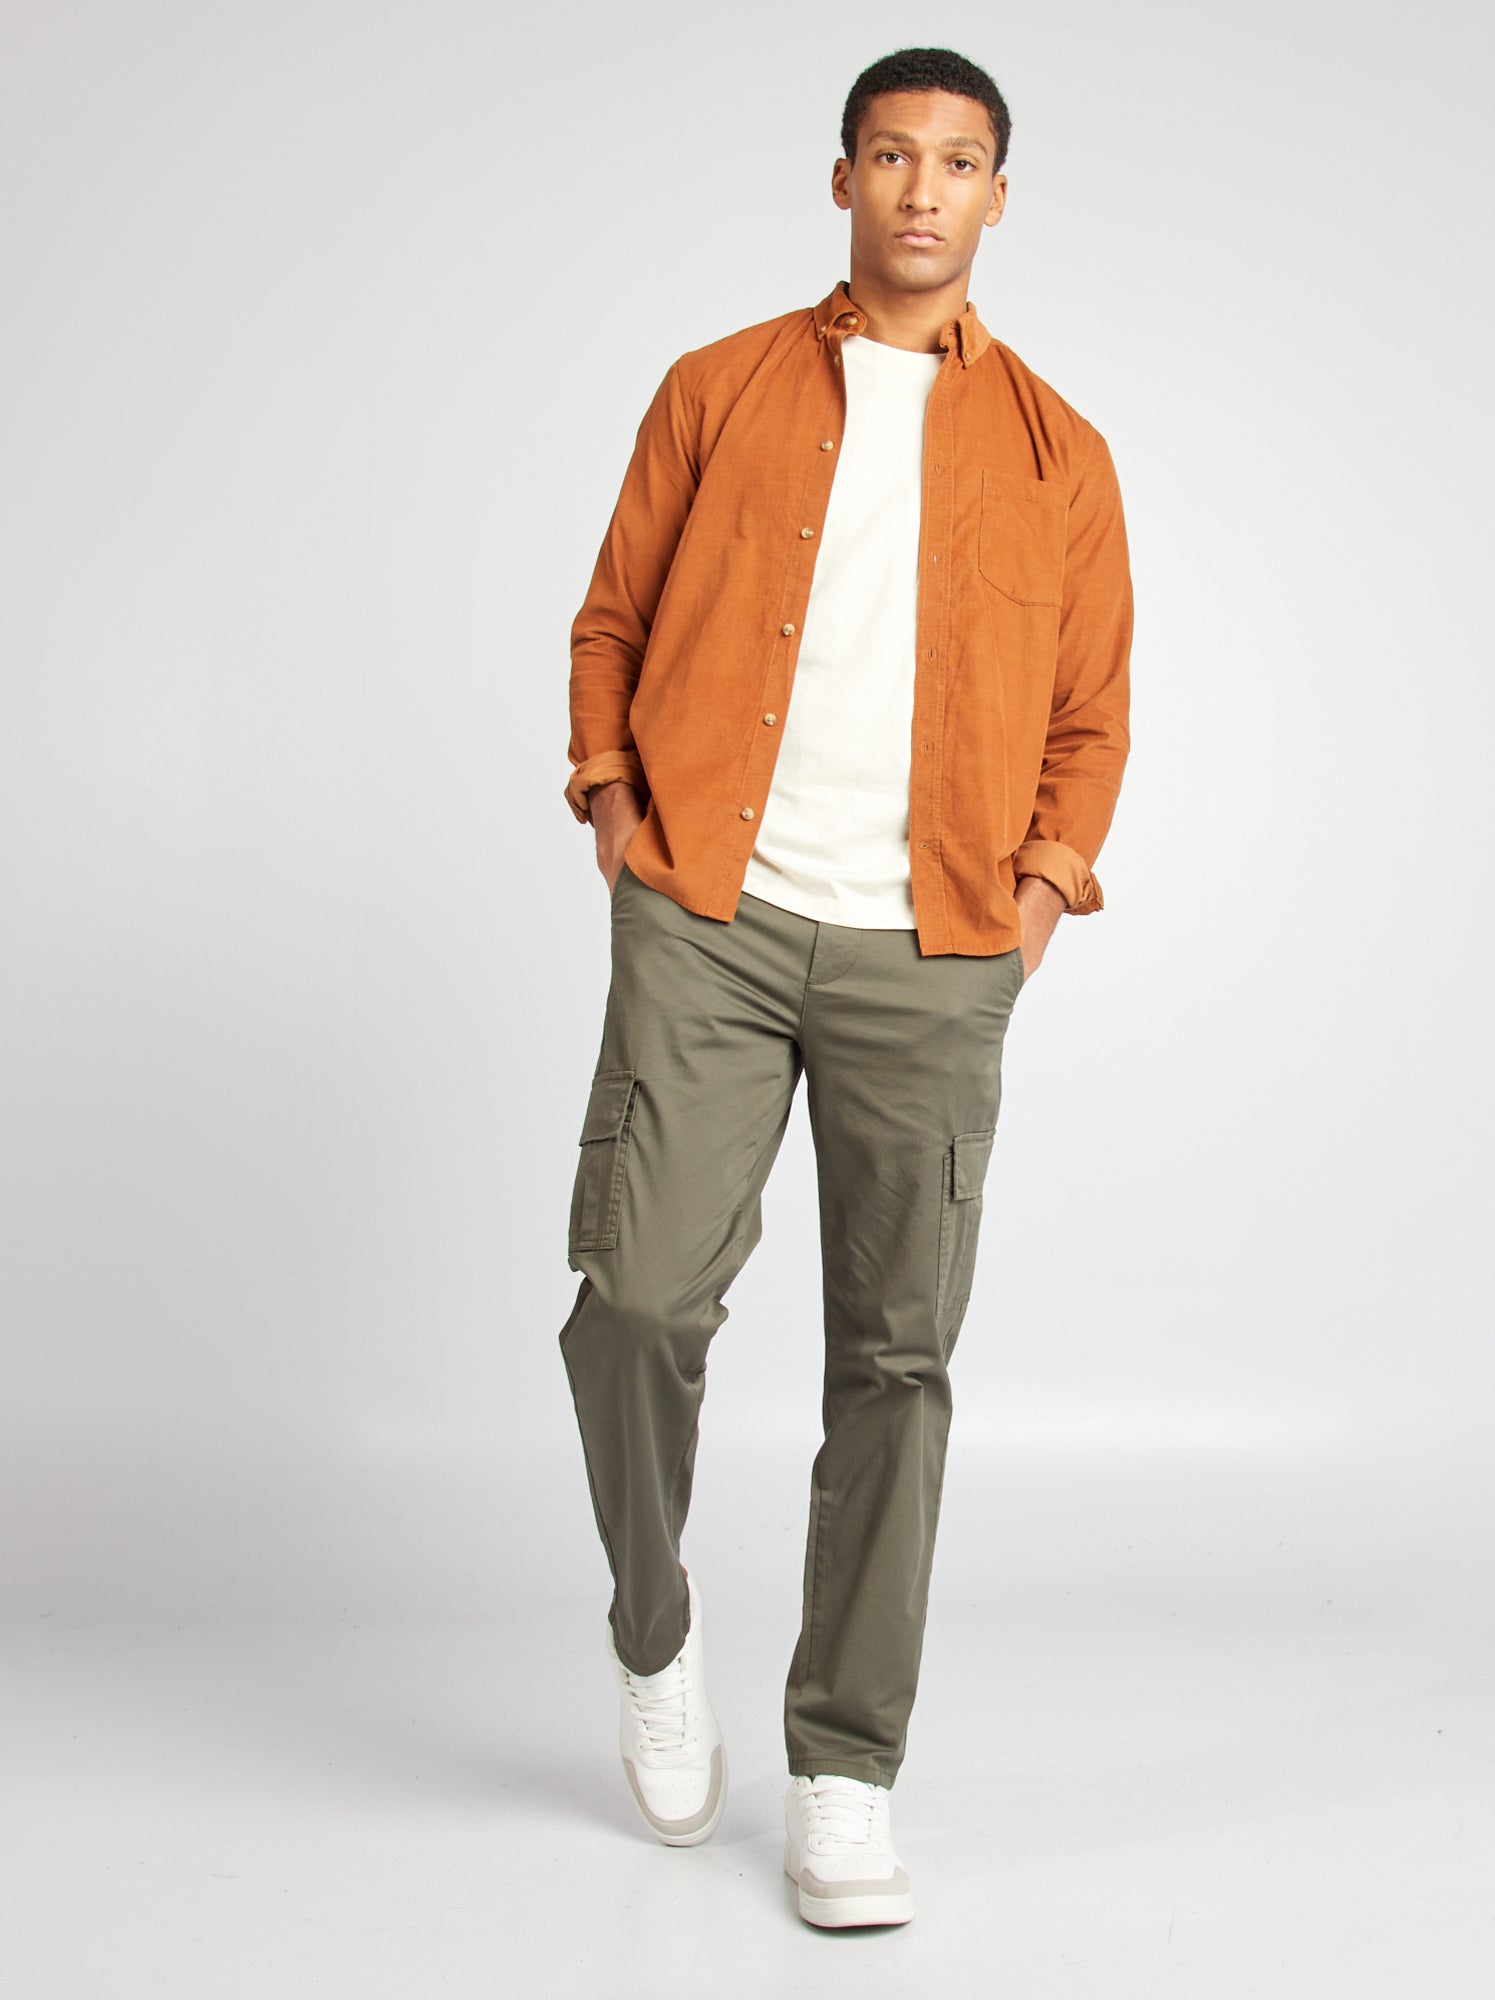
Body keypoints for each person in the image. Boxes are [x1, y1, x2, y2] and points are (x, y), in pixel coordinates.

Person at [556, 45, 1133, 1928]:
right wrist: (620, 816)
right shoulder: (715, 389)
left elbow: (1090, 720)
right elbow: (613, 619)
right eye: (892, 155)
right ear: (842, 179)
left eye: (957, 163)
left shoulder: (1059, 453)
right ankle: (654, 1635)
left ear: (995, 197)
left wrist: (1031, 907)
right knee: (638, 1301)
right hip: (710, 920)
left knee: (897, 1362)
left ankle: (845, 1770)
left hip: (932, 952)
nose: (921, 191)